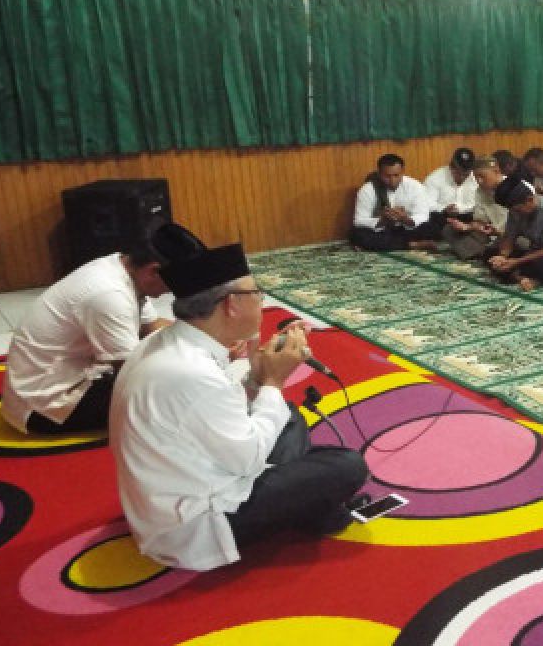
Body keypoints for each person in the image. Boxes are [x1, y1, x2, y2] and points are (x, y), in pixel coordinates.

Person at [110, 243, 368, 570]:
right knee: (348, 466)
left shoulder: (168, 343)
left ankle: (310, 501)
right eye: (257, 293)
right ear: (231, 304)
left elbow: (218, 412)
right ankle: (314, 507)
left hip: (182, 480)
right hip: (196, 521)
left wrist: (257, 378)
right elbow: (247, 460)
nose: (261, 301)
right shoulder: (191, 372)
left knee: (288, 417)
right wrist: (273, 381)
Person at [2, 226, 195, 434]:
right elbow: (131, 371)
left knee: (181, 368)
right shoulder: (109, 294)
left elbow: (151, 325)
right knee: (180, 390)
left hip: (58, 382)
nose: (170, 291)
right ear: (153, 271)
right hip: (44, 407)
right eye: (172, 282)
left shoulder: (122, 267)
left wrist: (207, 338)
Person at [350, 154, 440, 251]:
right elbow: (359, 221)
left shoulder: (415, 186)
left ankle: (381, 245)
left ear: (402, 172)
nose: (392, 181)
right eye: (387, 176)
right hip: (381, 230)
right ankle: (412, 245)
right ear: (379, 174)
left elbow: (423, 215)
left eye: (396, 175)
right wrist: (382, 221)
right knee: (356, 234)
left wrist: (405, 219)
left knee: (432, 227)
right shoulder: (368, 189)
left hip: (405, 228)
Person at [444, 156, 509, 260]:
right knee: (448, 230)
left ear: (497, 172)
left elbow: (523, 226)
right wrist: (466, 227)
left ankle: (483, 252)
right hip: (489, 235)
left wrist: (498, 232)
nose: (479, 181)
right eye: (476, 177)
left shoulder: (515, 188)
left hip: (511, 236)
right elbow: (480, 221)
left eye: (482, 176)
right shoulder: (480, 192)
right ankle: (481, 252)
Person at [425, 147, 478, 225]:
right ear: (451, 167)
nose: (462, 177)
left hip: (472, 218)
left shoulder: (477, 177)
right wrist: (444, 209)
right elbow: (427, 204)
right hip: (444, 219)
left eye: (466, 174)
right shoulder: (435, 178)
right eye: (458, 173)